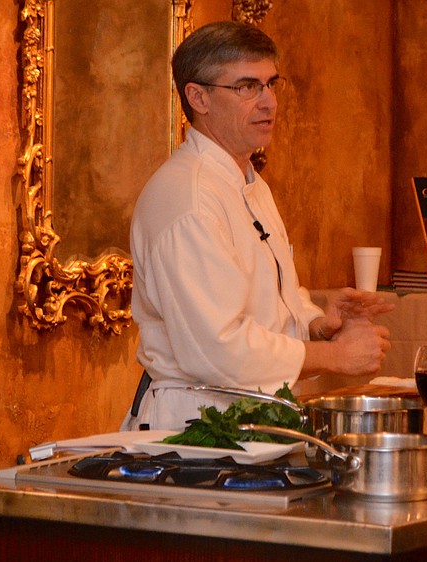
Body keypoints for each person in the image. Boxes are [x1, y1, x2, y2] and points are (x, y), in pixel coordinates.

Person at [122, 21, 394, 431]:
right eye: (247, 87)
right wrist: (334, 358)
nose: (269, 102)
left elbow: (266, 307)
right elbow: (217, 349)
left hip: (256, 420)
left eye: (271, 84)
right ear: (198, 97)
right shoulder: (189, 197)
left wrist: (318, 326)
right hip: (198, 430)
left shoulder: (248, 181)